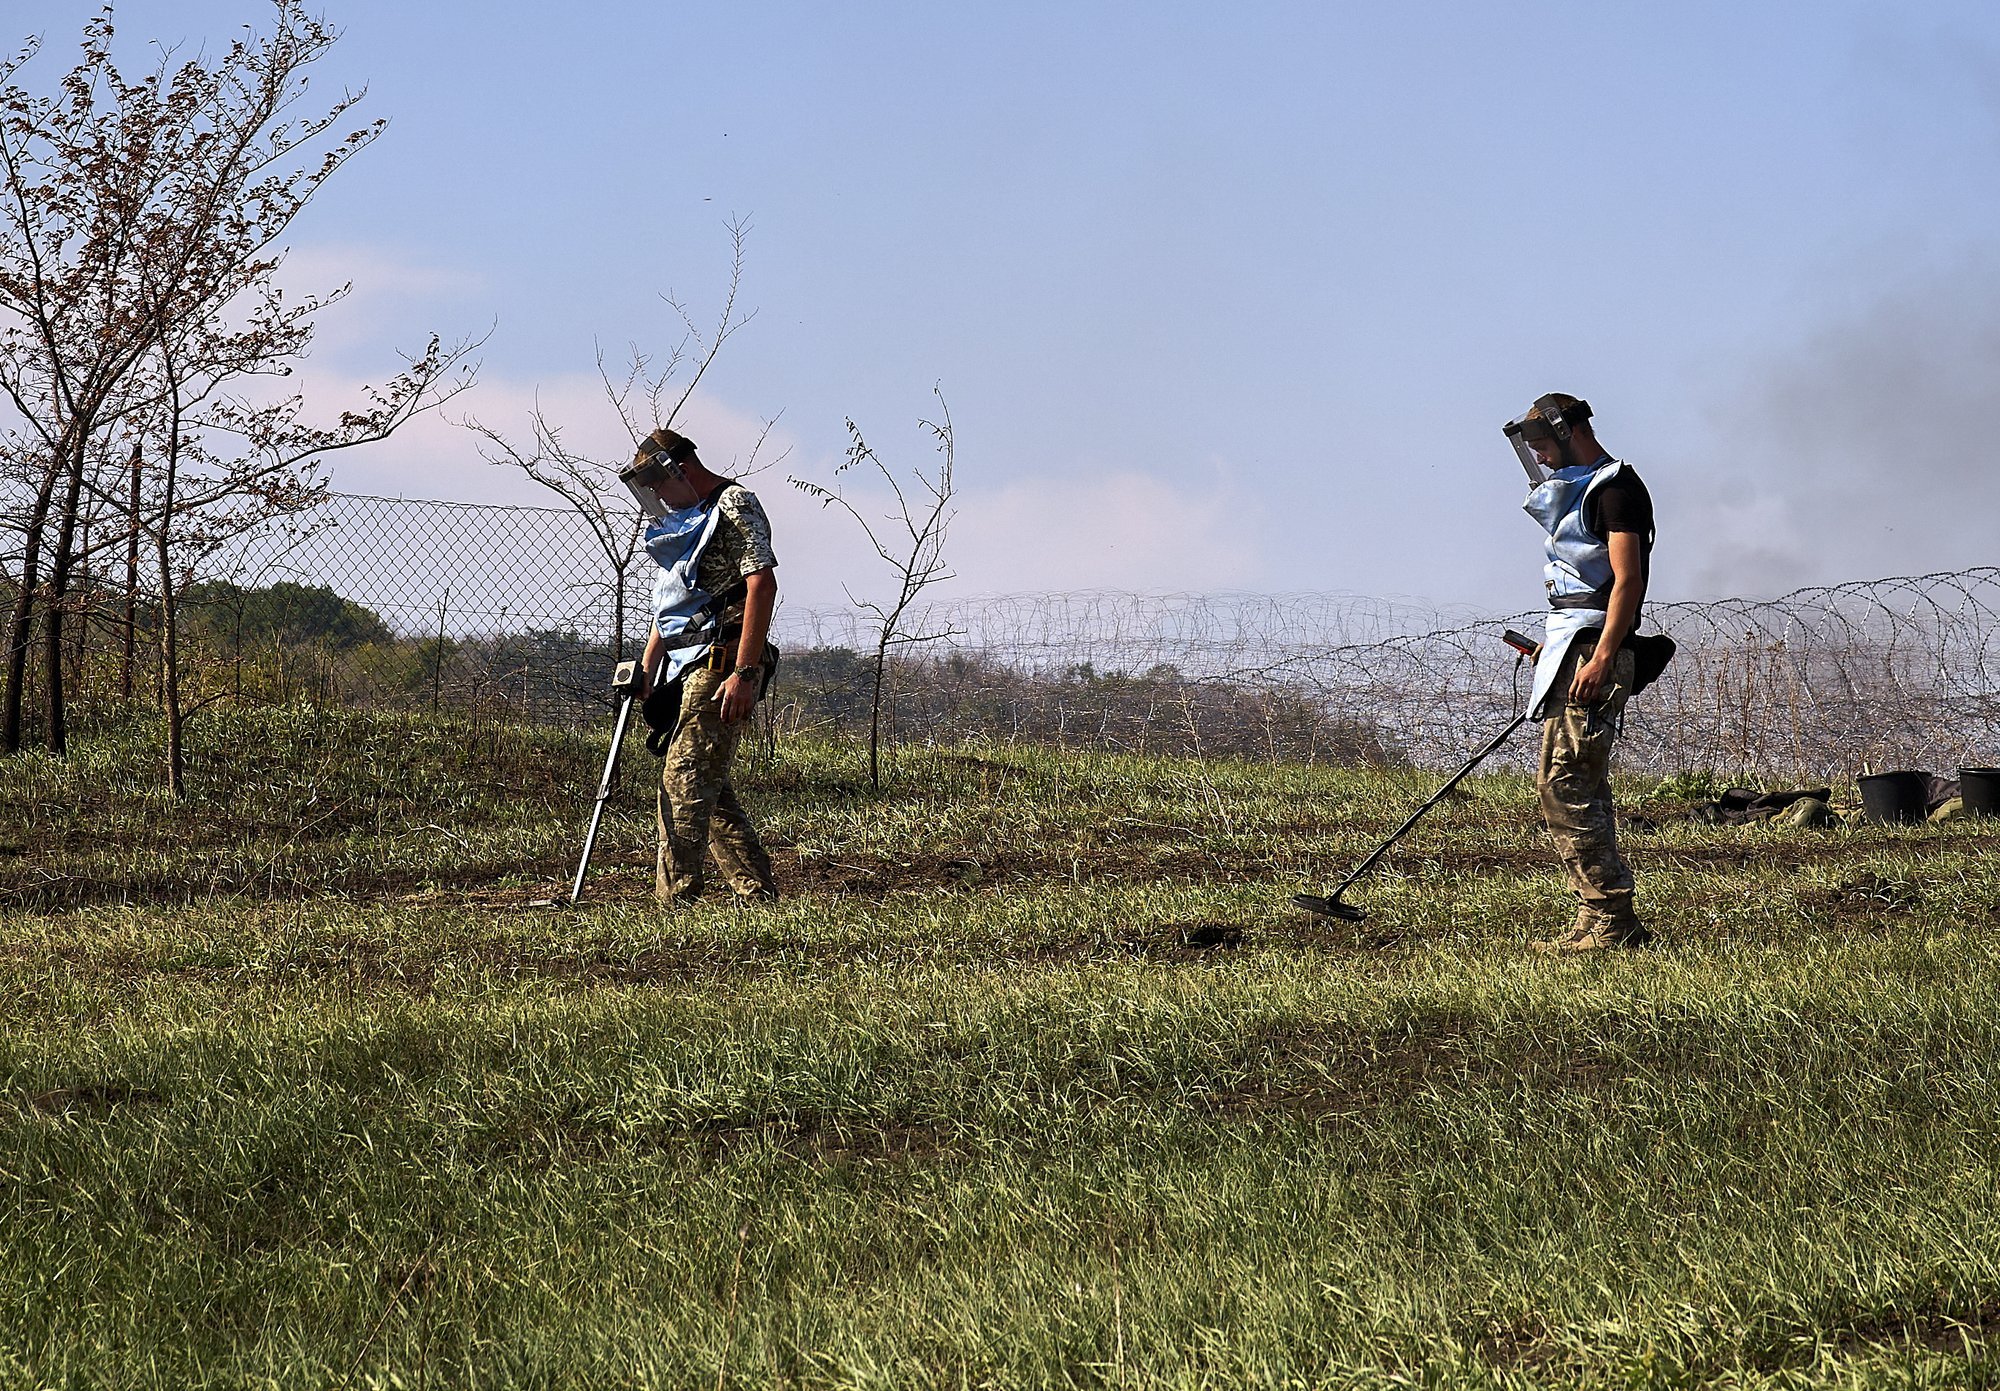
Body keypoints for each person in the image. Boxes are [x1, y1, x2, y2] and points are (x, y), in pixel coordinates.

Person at [1503, 394, 1656, 951]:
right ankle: (1600, 919)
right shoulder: (1582, 487)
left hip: (1597, 649)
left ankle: (1611, 919)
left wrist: (1598, 656)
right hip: (1575, 643)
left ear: (1569, 433)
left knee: (1565, 783)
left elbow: (1626, 582)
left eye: (1543, 444)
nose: (1540, 459)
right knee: (1575, 783)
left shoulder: (1615, 490)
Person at [621, 426, 780, 905]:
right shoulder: (690, 519)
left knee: (683, 782)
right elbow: (675, 603)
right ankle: (758, 896)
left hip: (724, 664)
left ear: (681, 470)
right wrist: (649, 666)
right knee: (708, 784)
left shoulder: (735, 505)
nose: (658, 498)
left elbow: (762, 586)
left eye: (659, 486)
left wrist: (745, 673)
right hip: (689, 664)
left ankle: (676, 906)